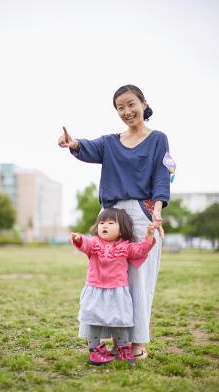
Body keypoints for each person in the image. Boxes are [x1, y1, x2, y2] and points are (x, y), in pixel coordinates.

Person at [58, 84, 173, 359]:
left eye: (131, 104)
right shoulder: (110, 142)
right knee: (105, 279)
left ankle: (136, 344)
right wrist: (72, 143)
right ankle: (105, 341)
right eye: (120, 107)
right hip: (109, 216)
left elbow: (161, 175)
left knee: (138, 282)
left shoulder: (158, 139)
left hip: (142, 214)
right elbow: (86, 148)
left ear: (144, 103)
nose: (126, 111)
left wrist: (157, 211)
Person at [70, 207, 157, 365]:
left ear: (122, 229)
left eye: (111, 223)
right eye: (102, 222)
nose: (104, 225)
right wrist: (78, 239)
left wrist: (149, 237)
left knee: (120, 320)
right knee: (93, 320)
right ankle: (95, 350)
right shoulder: (95, 243)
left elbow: (140, 250)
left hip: (118, 291)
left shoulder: (125, 246)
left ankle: (123, 348)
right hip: (95, 290)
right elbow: (86, 244)